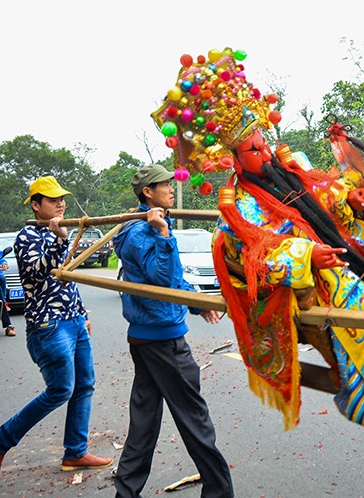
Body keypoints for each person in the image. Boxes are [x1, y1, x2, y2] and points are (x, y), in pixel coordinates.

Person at [151, 50, 364, 437]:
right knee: (352, 296)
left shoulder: (291, 165)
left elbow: (325, 194)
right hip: (313, 269)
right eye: (254, 150)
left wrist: (352, 199)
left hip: (336, 240)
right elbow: (255, 251)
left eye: (264, 142)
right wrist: (307, 255)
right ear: (235, 158)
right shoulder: (240, 205)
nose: (265, 152)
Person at [112, 164, 233, 498]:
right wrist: (164, 234)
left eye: (169, 182)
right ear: (147, 192)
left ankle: (126, 493)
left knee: (144, 422)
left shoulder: (146, 225)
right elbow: (162, 280)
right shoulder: (142, 231)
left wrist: (196, 303)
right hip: (162, 339)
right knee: (195, 419)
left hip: (147, 336)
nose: (169, 188)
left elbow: (175, 280)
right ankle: (220, 493)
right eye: (163, 184)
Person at [0, 176, 110, 485]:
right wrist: (60, 240)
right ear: (36, 205)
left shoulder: (61, 232)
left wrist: (81, 314)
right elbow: (40, 274)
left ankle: (75, 452)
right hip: (48, 325)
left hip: (74, 320)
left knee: (84, 385)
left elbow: (66, 278)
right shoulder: (26, 236)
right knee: (61, 389)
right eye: (53, 200)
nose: (60, 204)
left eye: (61, 199)